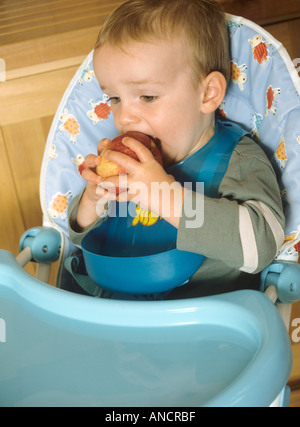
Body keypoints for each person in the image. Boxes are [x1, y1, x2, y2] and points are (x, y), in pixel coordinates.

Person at [68, 0, 285, 298]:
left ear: (207, 93)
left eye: (146, 96)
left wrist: (167, 198)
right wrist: (94, 198)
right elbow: (80, 237)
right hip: (117, 310)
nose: (124, 117)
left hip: (202, 322)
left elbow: (262, 245)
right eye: (114, 99)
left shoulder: (237, 160)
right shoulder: (129, 162)